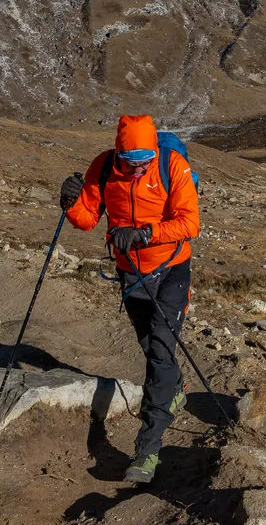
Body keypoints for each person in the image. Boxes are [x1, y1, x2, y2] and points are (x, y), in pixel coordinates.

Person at [59, 115, 199, 485]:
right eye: (129, 162)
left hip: (171, 269)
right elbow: (88, 220)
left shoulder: (172, 165)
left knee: (160, 352)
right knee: (149, 343)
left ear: (154, 152)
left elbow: (190, 223)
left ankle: (147, 449)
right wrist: (70, 202)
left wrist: (144, 234)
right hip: (131, 273)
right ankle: (175, 388)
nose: (137, 169)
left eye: (144, 161)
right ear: (118, 153)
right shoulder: (104, 167)